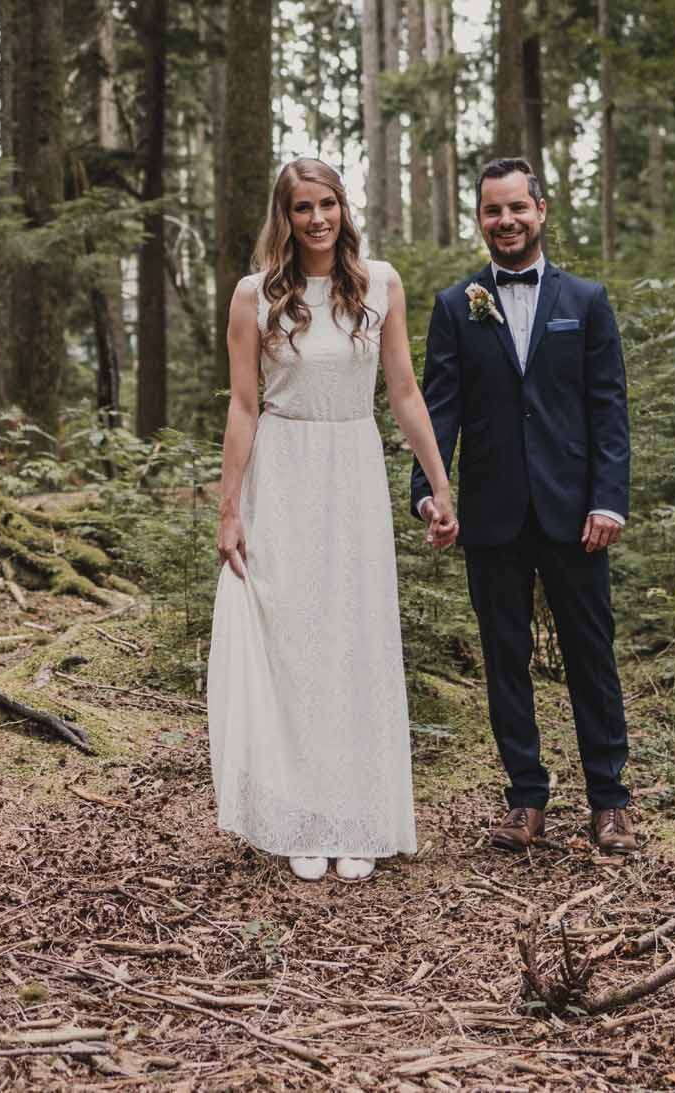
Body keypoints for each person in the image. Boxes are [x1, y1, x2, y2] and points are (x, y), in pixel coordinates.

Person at [207, 159, 459, 883]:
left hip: (351, 466)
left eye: (327, 204)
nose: (317, 218)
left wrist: (441, 483)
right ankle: (300, 818)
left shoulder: (380, 284)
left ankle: (358, 816)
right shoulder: (255, 296)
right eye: (301, 208)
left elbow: (406, 392)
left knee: (353, 635)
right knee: (295, 640)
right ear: (282, 218)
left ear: (344, 209)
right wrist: (229, 507)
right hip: (281, 472)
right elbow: (244, 405)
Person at [412, 158, 637, 855]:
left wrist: (609, 499)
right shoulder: (456, 306)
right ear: (478, 219)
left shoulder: (587, 300)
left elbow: (609, 409)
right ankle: (525, 799)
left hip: (576, 514)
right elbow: (437, 408)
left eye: (517, 208)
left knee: (590, 655)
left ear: (541, 210)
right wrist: (429, 492)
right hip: (493, 513)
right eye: (492, 211)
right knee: (504, 658)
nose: (505, 221)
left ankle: (610, 801)